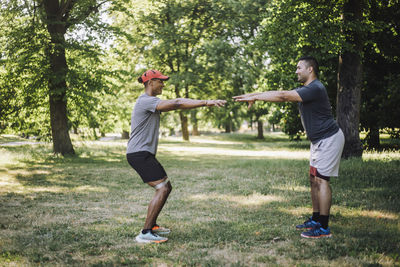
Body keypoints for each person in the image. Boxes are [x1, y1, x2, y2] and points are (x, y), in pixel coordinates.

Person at [233, 56, 344, 239]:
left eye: (299, 67)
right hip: (318, 141)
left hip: (329, 138)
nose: (296, 71)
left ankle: (323, 227)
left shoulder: (315, 88)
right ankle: (316, 219)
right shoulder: (306, 89)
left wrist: (255, 96)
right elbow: (280, 94)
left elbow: (283, 95)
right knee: (313, 179)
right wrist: (254, 95)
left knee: (322, 180)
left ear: (310, 70)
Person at [127, 69, 226, 243]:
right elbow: (178, 103)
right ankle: (145, 232)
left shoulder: (150, 102)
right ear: (151, 83)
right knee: (162, 188)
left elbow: (175, 104)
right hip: (139, 154)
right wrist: (206, 102)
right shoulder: (145, 101)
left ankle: (153, 226)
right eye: (160, 81)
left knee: (166, 186)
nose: (163, 84)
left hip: (142, 153)